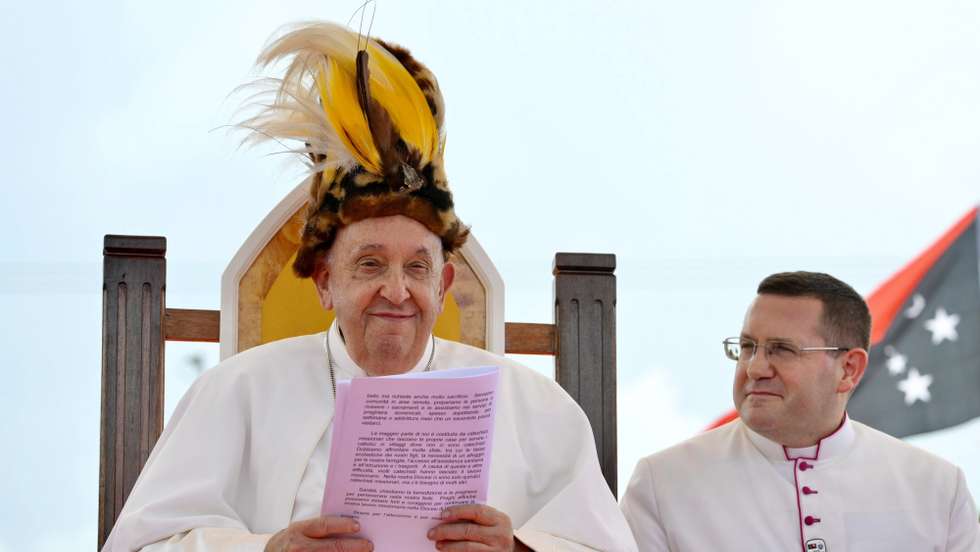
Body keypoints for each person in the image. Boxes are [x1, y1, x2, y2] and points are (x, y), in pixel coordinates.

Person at [102, 21, 636, 552]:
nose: (397, 292)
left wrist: (519, 550)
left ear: (445, 284)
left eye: (418, 268)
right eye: (371, 265)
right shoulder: (236, 394)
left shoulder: (538, 409)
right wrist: (268, 550)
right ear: (325, 281)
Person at [621, 271, 980, 552]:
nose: (756, 367)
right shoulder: (663, 483)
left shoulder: (937, 489)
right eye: (747, 347)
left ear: (849, 369)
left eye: (781, 349)